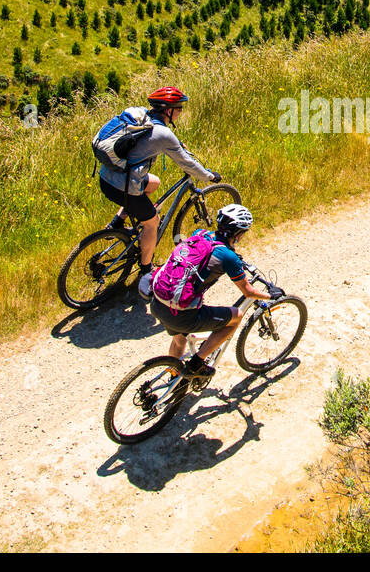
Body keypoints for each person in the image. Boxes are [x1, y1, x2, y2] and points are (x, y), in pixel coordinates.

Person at [97, 85, 219, 294]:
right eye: (178, 108)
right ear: (168, 110)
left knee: (154, 182)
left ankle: (117, 223)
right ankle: (145, 271)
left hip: (107, 178)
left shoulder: (142, 117)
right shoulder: (163, 134)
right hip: (123, 187)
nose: (180, 112)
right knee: (152, 223)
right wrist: (208, 176)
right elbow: (187, 164)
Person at [149, 204, 281, 379]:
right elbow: (248, 292)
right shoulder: (229, 257)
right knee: (236, 317)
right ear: (239, 234)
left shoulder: (200, 234)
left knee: (179, 339)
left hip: (158, 302)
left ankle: (174, 377)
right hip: (181, 315)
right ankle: (197, 363)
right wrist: (271, 295)